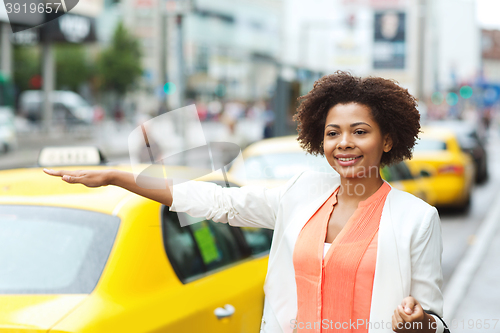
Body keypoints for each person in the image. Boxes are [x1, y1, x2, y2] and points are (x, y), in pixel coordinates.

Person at [43, 71, 446, 333]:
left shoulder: (416, 219)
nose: (344, 144)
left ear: (387, 140)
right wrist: (119, 177)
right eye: (333, 133)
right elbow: (221, 202)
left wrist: (418, 322)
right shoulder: (302, 192)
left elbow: (433, 321)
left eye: (360, 132)